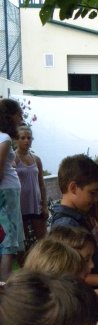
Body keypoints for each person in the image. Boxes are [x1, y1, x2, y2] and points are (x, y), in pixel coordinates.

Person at [50, 153, 98, 291]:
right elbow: (69, 275)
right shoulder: (66, 225)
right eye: (93, 193)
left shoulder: (81, 217)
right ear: (73, 188)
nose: (97, 199)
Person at [48, 225, 98, 311]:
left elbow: (79, 302)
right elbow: (76, 310)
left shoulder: (66, 285)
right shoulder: (49, 299)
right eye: (86, 259)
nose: (92, 265)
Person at [0, 99, 25, 280]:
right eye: (19, 114)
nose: (21, 117)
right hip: (6, 193)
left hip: (7, 191)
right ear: (9, 115)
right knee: (9, 237)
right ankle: (6, 278)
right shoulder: (5, 138)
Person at [15, 125, 48, 251]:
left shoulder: (36, 159)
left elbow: (41, 184)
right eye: (22, 138)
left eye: (29, 138)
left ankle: (46, 266)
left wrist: (44, 205)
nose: (26, 141)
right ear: (16, 140)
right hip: (19, 207)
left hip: (35, 205)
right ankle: (25, 268)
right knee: (22, 244)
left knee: (43, 240)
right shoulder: (12, 158)